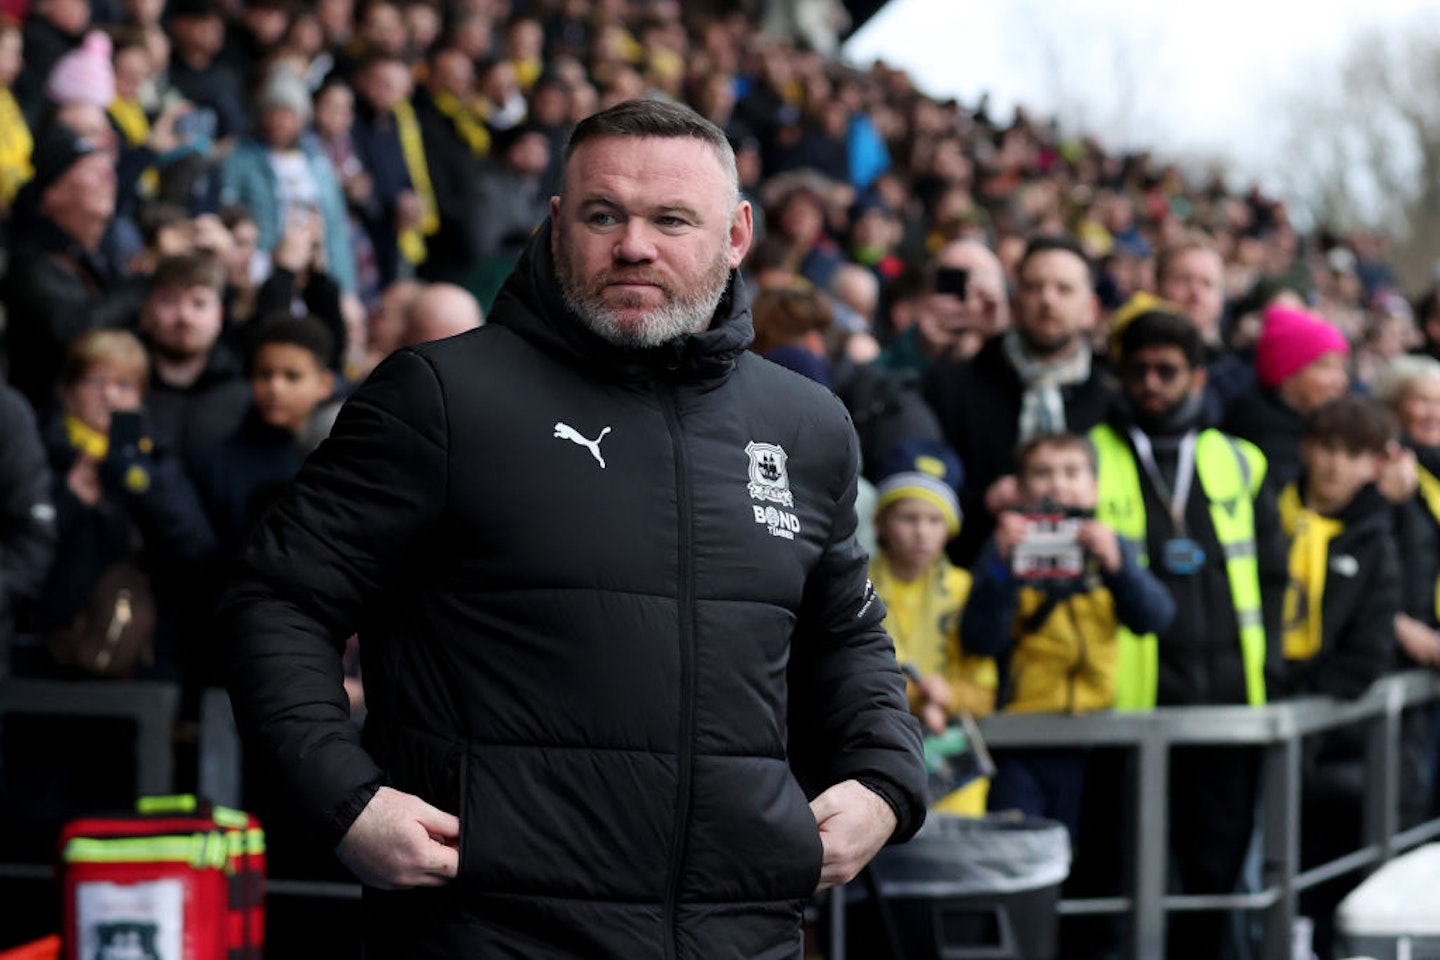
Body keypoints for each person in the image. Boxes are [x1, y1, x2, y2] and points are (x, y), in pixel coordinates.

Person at [220, 99, 926, 957]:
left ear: (737, 234)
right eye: (603, 215)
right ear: (558, 224)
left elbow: (848, 636)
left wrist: (884, 783)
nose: (634, 244)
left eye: (671, 218)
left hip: (740, 932)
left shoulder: (806, 424)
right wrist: (345, 801)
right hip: (489, 931)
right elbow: (276, 599)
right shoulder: (439, 398)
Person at [1085, 308, 1288, 960]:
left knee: (1215, 881)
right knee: (1121, 878)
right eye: (1137, 370)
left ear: (1198, 376)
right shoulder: (1088, 454)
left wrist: (1275, 665)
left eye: (1166, 370)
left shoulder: (1242, 460)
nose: (1150, 382)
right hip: (1127, 707)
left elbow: (1277, 576)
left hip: (1228, 705)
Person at [963, 432, 1174, 844]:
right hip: (1023, 735)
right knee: (1026, 852)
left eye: (1071, 472)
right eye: (1042, 473)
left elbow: (1156, 618)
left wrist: (1118, 565)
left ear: (1093, 486)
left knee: (1097, 857)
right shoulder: (1005, 546)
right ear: (1019, 489)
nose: (1057, 484)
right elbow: (981, 639)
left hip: (1100, 735)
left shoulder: (1110, 543)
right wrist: (1002, 568)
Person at [925, 234, 1114, 567]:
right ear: (1014, 302)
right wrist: (986, 499)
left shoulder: (1112, 395)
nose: (1048, 300)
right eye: (1034, 287)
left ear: (1091, 309)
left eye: (1064, 289)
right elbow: (926, 489)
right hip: (975, 573)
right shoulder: (957, 383)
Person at [868, 440, 995, 814]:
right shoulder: (855, 586)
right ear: (880, 522)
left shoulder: (964, 590)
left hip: (952, 768)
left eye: (935, 519)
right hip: (875, 755)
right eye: (908, 518)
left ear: (951, 528)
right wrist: (918, 697)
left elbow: (984, 692)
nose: (922, 532)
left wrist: (948, 695)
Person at [1223, 303, 1351, 490]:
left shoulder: (1324, 424)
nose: (1341, 380)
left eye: (1341, 368)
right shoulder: (1256, 431)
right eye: (1325, 366)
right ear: (1288, 373)